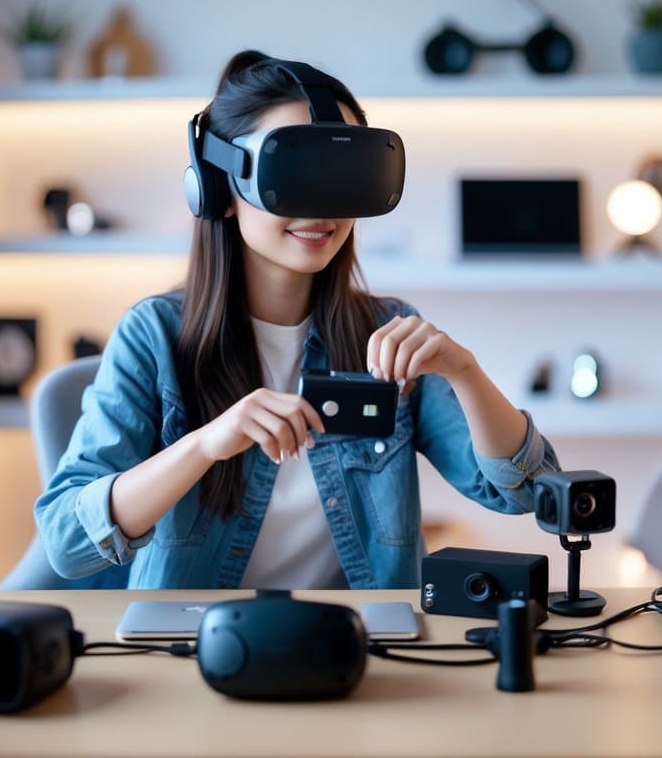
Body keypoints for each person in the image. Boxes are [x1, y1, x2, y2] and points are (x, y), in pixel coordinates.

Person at [35, 51, 559, 589]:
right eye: (293, 173)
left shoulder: (388, 331)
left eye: (344, 175)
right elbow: (66, 542)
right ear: (219, 187)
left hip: (360, 634)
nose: (322, 207)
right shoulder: (154, 337)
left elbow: (524, 491)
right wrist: (206, 444)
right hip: (195, 632)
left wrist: (464, 372)